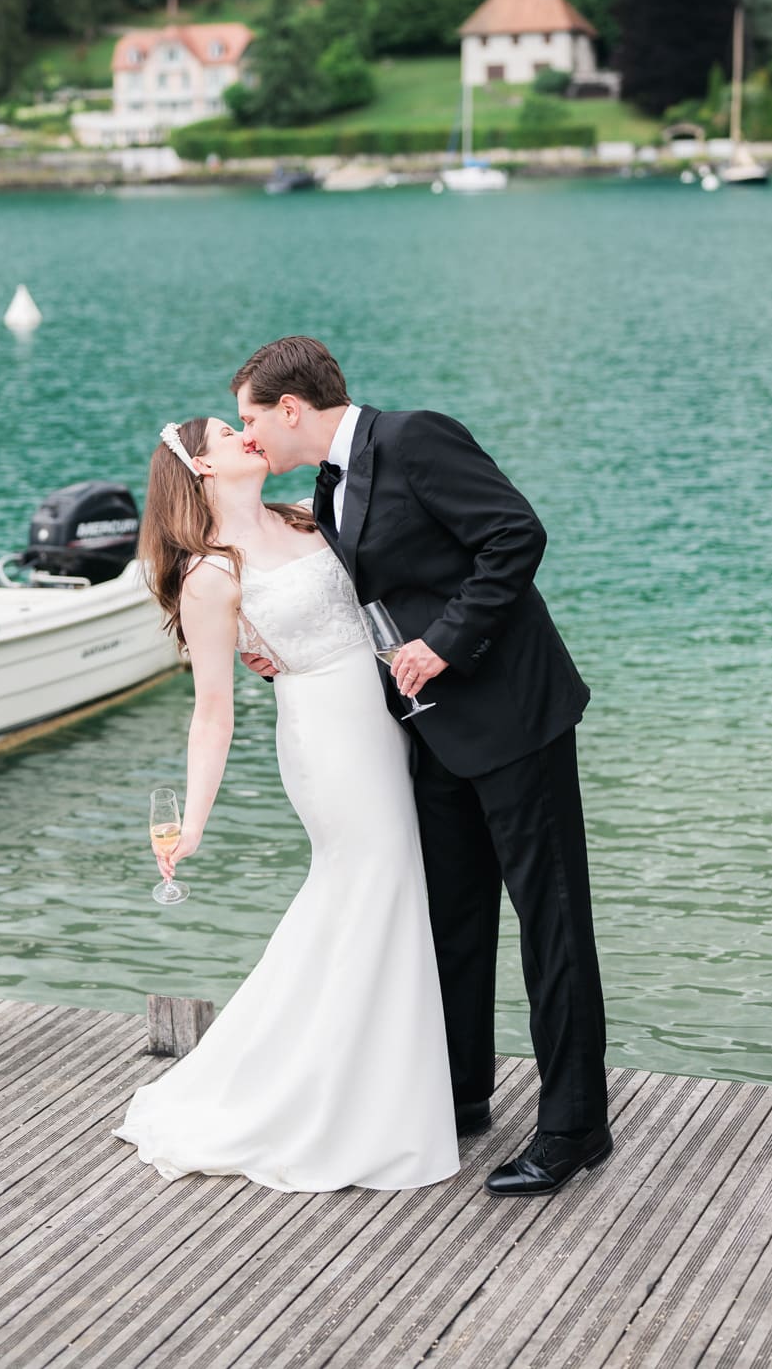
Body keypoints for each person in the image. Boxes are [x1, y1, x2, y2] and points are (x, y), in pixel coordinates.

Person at [231, 337, 611, 1197]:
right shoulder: (330, 488)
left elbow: (516, 536)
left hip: (516, 718)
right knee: (455, 919)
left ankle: (576, 1125)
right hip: (430, 733)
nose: (249, 434)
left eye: (253, 418)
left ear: (292, 408)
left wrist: (445, 643)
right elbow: (372, 603)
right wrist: (285, 657)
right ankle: (462, 1092)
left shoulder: (415, 439)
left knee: (551, 924)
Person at [113, 415, 459, 1193]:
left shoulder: (309, 514)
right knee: (371, 886)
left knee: (391, 895)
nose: (248, 434)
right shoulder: (211, 573)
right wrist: (192, 822)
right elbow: (212, 710)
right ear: (199, 464)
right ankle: (336, 1102)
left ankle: (379, 1086)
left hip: (387, 721)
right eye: (231, 432)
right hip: (327, 743)